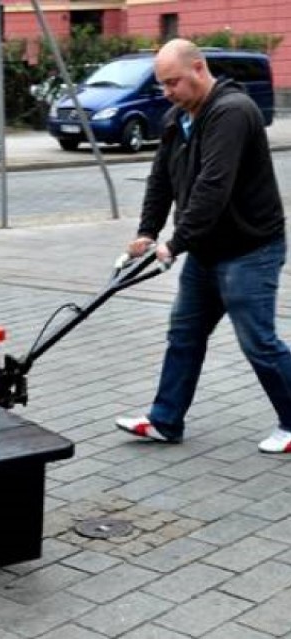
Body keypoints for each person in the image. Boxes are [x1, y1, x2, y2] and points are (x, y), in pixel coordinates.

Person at [115, 39, 291, 452]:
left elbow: (213, 187)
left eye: (173, 82)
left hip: (250, 249)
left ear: (199, 68)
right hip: (208, 250)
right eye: (162, 85)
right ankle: (165, 421)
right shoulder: (179, 118)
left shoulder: (232, 112)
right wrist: (147, 232)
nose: (167, 92)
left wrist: (175, 243)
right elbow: (161, 180)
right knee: (185, 334)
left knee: (259, 342)